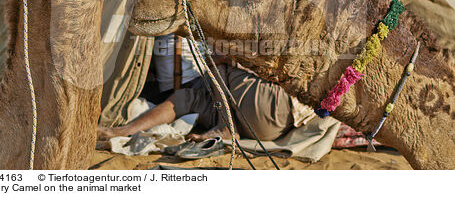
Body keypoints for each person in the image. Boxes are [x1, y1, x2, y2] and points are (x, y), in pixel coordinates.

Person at [98, 55, 311, 143]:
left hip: (275, 105)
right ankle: (123, 132)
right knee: (184, 98)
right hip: (265, 130)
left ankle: (224, 126)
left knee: (217, 56)